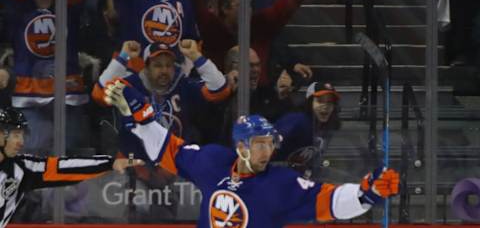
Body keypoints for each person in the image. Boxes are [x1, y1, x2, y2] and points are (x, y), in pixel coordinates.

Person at [104, 81, 400, 227]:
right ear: (241, 147)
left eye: (270, 143)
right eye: (259, 143)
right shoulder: (212, 163)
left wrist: (367, 193)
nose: (267, 150)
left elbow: (331, 202)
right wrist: (143, 119)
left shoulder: (282, 183)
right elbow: (168, 149)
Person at [3, 0, 91, 153]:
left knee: (70, 149)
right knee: (35, 148)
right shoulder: (20, 10)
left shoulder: (67, 9)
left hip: (67, 94)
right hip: (29, 94)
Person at [181, 0, 314, 86]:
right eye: (241, 6)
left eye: (249, 5)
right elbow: (192, 5)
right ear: (225, 9)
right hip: (218, 97)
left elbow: (288, 4)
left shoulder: (260, 24)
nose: (248, 10)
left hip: (259, 97)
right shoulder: (213, 28)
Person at [0, 107, 144, 228]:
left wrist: (110, 163)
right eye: (16, 135)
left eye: (22, 136)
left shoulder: (22, 168)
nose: (21, 142)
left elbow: (64, 167)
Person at [92, 39, 231, 143]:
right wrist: (123, 57)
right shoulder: (131, 85)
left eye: (168, 65)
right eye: (158, 65)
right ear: (146, 67)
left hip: (177, 159)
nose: (164, 70)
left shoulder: (183, 85)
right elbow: (99, 93)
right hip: (137, 158)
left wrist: (196, 56)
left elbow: (221, 90)